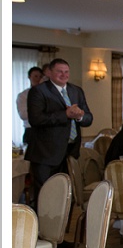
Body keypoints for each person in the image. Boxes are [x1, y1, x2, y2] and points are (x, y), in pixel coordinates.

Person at [25, 58, 93, 209]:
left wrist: (80, 115)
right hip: (45, 154)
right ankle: (41, 231)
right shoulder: (39, 91)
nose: (63, 75)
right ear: (50, 72)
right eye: (59, 72)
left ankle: (61, 231)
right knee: (45, 196)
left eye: (66, 72)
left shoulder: (76, 91)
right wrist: (65, 114)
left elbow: (89, 118)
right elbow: (36, 119)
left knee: (66, 197)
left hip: (70, 152)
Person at [16, 65, 44, 145]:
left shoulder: (48, 95)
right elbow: (23, 115)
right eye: (35, 76)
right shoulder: (23, 95)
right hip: (31, 130)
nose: (37, 79)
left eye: (40, 76)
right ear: (29, 77)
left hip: (46, 131)